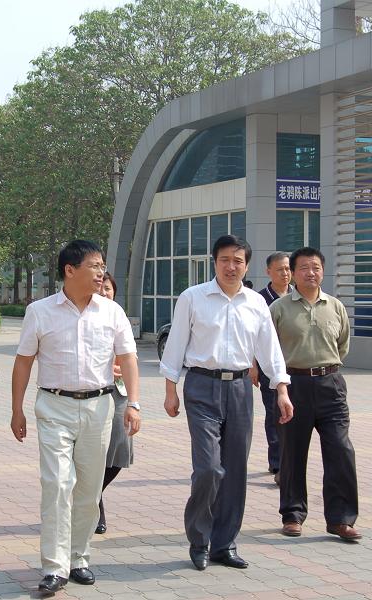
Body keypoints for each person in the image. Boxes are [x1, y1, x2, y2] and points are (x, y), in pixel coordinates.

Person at [10, 240, 140, 595]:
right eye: (94, 266)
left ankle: (78, 557)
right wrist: (17, 409)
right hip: (54, 406)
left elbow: (129, 358)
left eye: (102, 267)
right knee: (57, 484)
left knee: (89, 489)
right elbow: (23, 361)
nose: (101, 273)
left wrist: (134, 404)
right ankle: (54, 567)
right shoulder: (40, 312)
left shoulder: (112, 312)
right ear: (70, 270)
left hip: (99, 407)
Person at [160, 234, 292, 571]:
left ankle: (224, 544)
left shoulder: (256, 303)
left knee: (235, 470)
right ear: (214, 262)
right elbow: (176, 344)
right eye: (224, 260)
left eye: (237, 261)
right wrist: (170, 388)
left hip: (240, 388)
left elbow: (269, 349)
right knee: (208, 468)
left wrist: (281, 389)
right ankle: (199, 540)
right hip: (201, 386)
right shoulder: (193, 298)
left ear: (246, 266)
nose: (231, 267)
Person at [269, 247, 361, 542]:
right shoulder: (279, 309)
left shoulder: (335, 306)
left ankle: (341, 519)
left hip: (330, 384)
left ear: (323, 271)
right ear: (293, 273)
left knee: (341, 450)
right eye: (304, 268)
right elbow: (269, 349)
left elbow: (343, 345)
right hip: (293, 385)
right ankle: (292, 515)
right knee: (292, 453)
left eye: (316, 267)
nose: (311, 273)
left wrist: (324, 368)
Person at [95, 271, 135, 535]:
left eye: (108, 288)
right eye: (100, 287)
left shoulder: (119, 317)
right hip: (92, 392)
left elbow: (130, 357)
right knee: (93, 452)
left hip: (119, 392)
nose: (104, 292)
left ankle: (93, 493)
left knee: (120, 449)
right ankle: (95, 505)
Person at [251, 251, 294, 484]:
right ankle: (277, 462)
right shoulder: (259, 300)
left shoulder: (297, 296)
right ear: (269, 272)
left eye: (287, 269)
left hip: (294, 367)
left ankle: (289, 461)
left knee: (293, 414)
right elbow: (251, 336)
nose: (285, 273)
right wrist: (253, 365)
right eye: (280, 269)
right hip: (268, 368)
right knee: (274, 413)